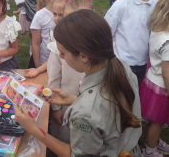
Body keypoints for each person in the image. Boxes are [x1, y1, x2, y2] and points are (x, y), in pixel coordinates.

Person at [14, 9, 142, 156]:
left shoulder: (84, 113)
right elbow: (108, 111)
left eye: (62, 53)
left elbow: (75, 154)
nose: (60, 57)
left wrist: (33, 129)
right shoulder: (121, 67)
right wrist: (74, 100)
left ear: (83, 56)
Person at [105, 0, 160, 85]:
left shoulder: (157, 5)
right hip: (121, 63)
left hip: (145, 64)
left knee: (137, 99)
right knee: (121, 98)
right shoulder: (121, 5)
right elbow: (106, 30)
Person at [48, 0, 94, 144]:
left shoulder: (98, 45)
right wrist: (55, 109)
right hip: (65, 105)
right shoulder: (58, 47)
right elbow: (53, 79)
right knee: (65, 138)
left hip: (92, 108)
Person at [139, 0, 169, 157]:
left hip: (151, 81)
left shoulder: (156, 30)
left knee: (155, 121)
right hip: (164, 88)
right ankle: (150, 149)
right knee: (158, 122)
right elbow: (167, 73)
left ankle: (153, 142)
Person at [25, 0, 74, 78]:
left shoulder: (72, 36)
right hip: (55, 71)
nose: (57, 18)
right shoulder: (56, 33)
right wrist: (38, 69)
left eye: (61, 15)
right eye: (54, 14)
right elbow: (53, 57)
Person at [29, 0, 66, 68]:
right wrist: (38, 65)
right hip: (44, 60)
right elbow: (35, 43)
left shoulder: (67, 11)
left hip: (63, 60)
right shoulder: (40, 16)